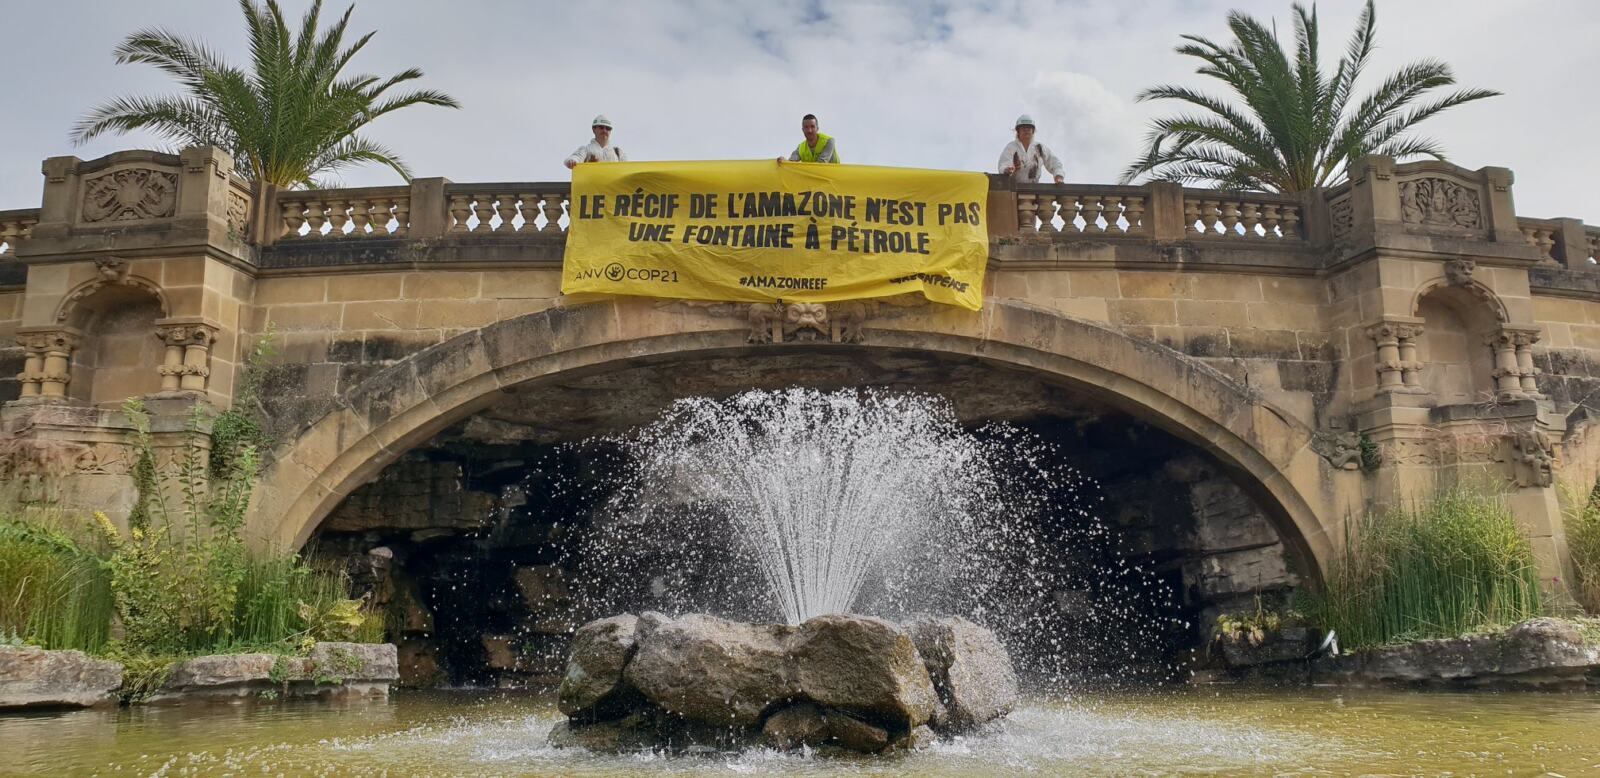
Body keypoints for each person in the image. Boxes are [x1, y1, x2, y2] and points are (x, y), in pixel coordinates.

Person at [997, 115, 1064, 184]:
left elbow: (1054, 162)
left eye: (1029, 128)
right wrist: (1007, 170)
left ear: (1033, 131)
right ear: (1018, 131)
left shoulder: (1039, 147)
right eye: (1023, 128)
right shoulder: (1011, 147)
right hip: (1014, 188)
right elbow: (1003, 165)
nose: (1026, 131)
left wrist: (1058, 176)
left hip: (1033, 189)